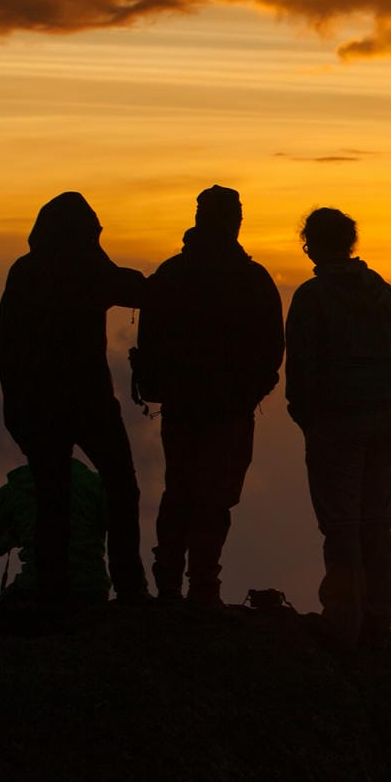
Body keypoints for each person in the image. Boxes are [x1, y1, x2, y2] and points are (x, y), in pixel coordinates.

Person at [0, 191, 149, 607]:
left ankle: (52, 589)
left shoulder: (26, 272)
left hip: (38, 407)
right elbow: (132, 288)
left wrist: (14, 409)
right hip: (89, 402)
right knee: (120, 486)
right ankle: (130, 585)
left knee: (52, 497)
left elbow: (6, 350)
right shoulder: (86, 267)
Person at [139, 184, 284, 606]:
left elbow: (149, 342)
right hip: (229, 411)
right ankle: (204, 585)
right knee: (215, 497)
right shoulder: (252, 279)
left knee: (179, 490)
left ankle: (169, 584)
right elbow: (272, 349)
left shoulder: (171, 274)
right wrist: (248, 393)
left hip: (182, 407)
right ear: (236, 221)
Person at [284, 208, 391, 648]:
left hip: (336, 419)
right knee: (376, 519)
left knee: (339, 522)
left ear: (311, 245)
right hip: (385, 414)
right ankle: (379, 614)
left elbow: (299, 367)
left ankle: (342, 618)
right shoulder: (383, 292)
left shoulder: (312, 297)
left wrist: (305, 414)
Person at [0, 459, 111, 631]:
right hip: (91, 588)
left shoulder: (17, 487)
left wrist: (11, 539)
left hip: (35, 589)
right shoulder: (93, 483)